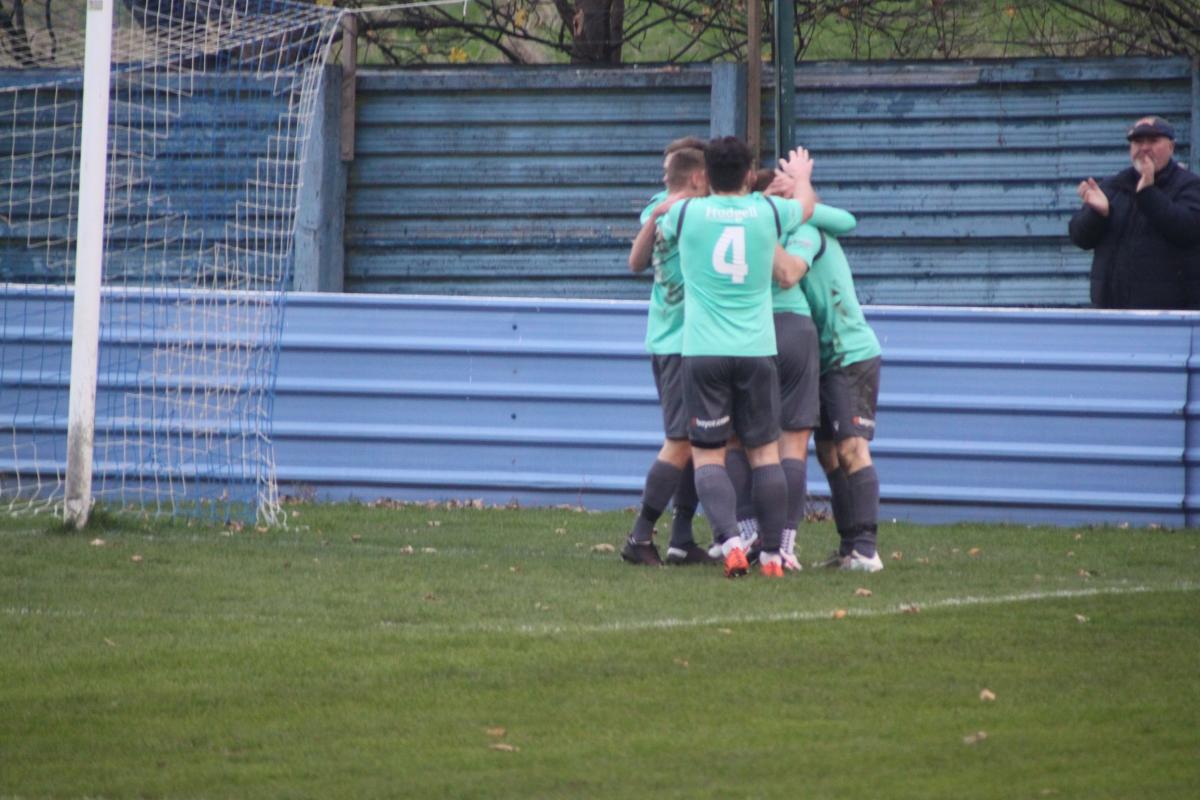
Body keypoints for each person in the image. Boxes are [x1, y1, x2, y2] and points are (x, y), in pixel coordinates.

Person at [657, 137, 814, 578]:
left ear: (707, 174)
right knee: (765, 454)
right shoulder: (767, 211)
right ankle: (772, 555)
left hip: (703, 352)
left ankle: (730, 543)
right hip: (757, 350)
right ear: (749, 174)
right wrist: (802, 177)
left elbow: (662, 223)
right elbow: (804, 207)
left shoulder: (686, 213)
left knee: (708, 455)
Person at [723, 170, 859, 572]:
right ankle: (779, 545)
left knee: (739, 442)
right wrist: (798, 192)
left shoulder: (740, 220)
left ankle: (759, 538)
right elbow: (842, 222)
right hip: (790, 329)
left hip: (751, 330)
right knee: (785, 446)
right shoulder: (800, 224)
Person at [622, 141, 713, 566]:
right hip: (679, 343)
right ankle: (640, 536)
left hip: (667, 339)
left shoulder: (663, 207)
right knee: (681, 440)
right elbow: (635, 262)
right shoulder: (682, 210)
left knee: (695, 438)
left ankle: (681, 539)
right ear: (698, 176)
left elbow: (635, 264)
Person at [793, 214, 885, 572]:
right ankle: (849, 547)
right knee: (829, 453)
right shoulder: (801, 226)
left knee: (852, 448)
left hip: (850, 354)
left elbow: (788, 272)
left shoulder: (806, 231)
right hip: (826, 358)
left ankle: (867, 551)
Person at [1069, 115, 1200, 309]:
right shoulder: (1114, 186)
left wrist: (1148, 193)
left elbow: (1187, 230)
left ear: (1171, 147)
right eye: (1138, 141)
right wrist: (1097, 214)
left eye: (1153, 141)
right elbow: (1080, 238)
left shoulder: (1189, 186)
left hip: (1169, 317)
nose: (1144, 148)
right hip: (1111, 313)